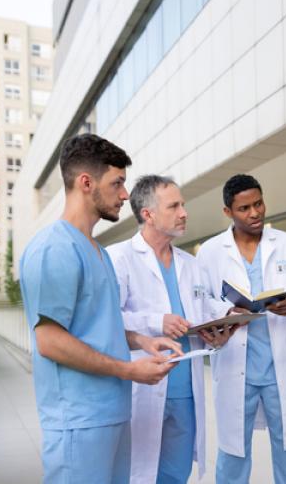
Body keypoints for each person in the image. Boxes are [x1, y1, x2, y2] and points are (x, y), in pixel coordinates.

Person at [19, 134, 183, 484]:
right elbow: (49, 341)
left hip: (112, 415)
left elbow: (97, 325)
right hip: (79, 423)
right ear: (86, 183)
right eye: (118, 183)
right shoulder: (55, 249)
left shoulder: (98, 252)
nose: (125, 194)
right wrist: (128, 370)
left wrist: (142, 341)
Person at [108, 175, 237, 484]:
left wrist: (222, 326)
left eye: (183, 204)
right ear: (147, 214)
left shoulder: (190, 264)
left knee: (176, 474)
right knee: (137, 473)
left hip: (185, 391)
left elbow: (205, 311)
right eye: (174, 206)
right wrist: (156, 321)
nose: (184, 212)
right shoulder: (119, 258)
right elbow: (107, 320)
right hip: (143, 386)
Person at [196, 174, 286, 484]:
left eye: (258, 203)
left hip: (280, 370)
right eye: (244, 208)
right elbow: (201, 300)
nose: (255, 213)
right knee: (233, 457)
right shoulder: (210, 251)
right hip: (236, 366)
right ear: (228, 212)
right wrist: (227, 310)